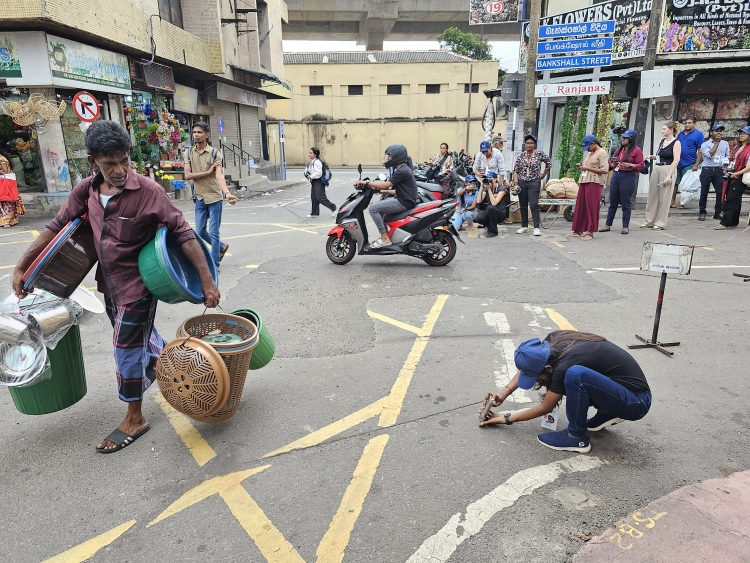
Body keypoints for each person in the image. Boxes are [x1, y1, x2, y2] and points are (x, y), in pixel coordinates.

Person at [12, 120, 220, 453]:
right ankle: (176, 369)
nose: (121, 169)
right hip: (107, 286)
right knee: (141, 342)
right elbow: (57, 226)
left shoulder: (149, 192)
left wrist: (207, 281)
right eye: (111, 164)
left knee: (125, 349)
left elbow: (182, 232)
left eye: (125, 160)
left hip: (139, 287)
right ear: (93, 162)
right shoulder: (87, 191)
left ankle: (135, 417)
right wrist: (24, 265)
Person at [479, 331, 651, 453]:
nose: (537, 382)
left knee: (575, 376)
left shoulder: (565, 364)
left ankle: (576, 437)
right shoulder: (551, 343)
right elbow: (528, 368)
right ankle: (608, 412)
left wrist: (506, 418)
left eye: (537, 378)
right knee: (573, 378)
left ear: (547, 367)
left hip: (636, 402)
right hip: (621, 391)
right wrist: (503, 394)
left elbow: (545, 408)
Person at [184, 122, 237, 272]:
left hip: (214, 197)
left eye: (199, 132)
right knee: (200, 231)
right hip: (199, 197)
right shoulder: (188, 153)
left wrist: (227, 193)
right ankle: (221, 246)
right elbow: (188, 175)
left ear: (206, 134)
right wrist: (207, 173)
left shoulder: (215, 153)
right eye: (194, 132)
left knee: (214, 232)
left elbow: (219, 175)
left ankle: (214, 265)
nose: (196, 135)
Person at [356, 144, 418, 248]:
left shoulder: (402, 171)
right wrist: (384, 191)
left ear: (397, 156)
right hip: (405, 199)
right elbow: (398, 191)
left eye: (390, 156)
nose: (388, 158)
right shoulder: (403, 169)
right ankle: (387, 236)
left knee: (373, 209)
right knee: (381, 211)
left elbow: (386, 184)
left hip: (404, 202)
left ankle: (384, 238)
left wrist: (367, 183)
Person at [600, 129, 644, 234]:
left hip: (628, 176)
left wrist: (630, 165)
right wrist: (612, 165)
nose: (623, 139)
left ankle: (625, 226)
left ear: (631, 139)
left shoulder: (637, 150)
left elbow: (641, 165)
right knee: (613, 202)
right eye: (623, 137)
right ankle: (607, 224)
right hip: (616, 175)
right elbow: (610, 163)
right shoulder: (618, 149)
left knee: (626, 203)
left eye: (625, 138)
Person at [567, 135, 608, 240]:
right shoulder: (591, 153)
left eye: (588, 147)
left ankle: (590, 232)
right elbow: (589, 166)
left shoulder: (602, 152)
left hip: (594, 182)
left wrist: (587, 168)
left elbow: (604, 170)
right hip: (585, 180)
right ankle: (578, 229)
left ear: (593, 144)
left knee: (591, 206)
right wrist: (582, 166)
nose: (587, 149)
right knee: (581, 205)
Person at [643, 122, 682, 231]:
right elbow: (660, 156)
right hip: (657, 168)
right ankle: (649, 221)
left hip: (667, 168)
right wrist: (651, 157)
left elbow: (676, 159)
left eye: (664, 129)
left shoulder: (676, 142)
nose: (662, 131)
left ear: (671, 130)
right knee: (653, 194)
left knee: (664, 197)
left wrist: (669, 175)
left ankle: (660, 223)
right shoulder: (662, 141)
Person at [512, 135, 552, 236]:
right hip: (522, 182)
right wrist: (516, 184)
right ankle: (524, 226)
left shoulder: (539, 154)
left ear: (534, 144)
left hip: (534, 182)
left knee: (534, 205)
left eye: (531, 143)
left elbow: (548, 163)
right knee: (523, 205)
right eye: (527, 143)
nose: (528, 145)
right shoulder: (521, 156)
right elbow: (516, 170)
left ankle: (536, 227)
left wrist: (543, 174)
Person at [716, 126, 750, 230]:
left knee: (731, 198)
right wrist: (728, 169)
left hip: (741, 175)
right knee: (735, 198)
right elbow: (732, 161)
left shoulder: (749, 149)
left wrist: (737, 173)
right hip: (732, 173)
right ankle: (733, 221)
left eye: (744, 133)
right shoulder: (736, 147)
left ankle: (725, 222)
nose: (741, 135)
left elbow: (749, 166)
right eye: (740, 133)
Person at [697, 124, 730, 221]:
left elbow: (727, 156)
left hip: (719, 170)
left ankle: (718, 212)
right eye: (716, 131)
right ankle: (702, 212)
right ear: (711, 132)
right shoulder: (705, 144)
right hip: (707, 170)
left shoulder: (725, 143)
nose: (719, 133)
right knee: (704, 192)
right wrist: (717, 143)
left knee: (720, 192)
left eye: (720, 131)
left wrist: (726, 164)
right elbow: (710, 154)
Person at [671, 117, 705, 208]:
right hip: (678, 162)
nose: (687, 125)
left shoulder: (699, 134)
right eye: (686, 123)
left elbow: (700, 150)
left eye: (689, 123)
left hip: (689, 163)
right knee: (675, 183)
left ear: (694, 124)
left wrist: (696, 164)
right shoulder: (681, 134)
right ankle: (672, 201)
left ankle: (681, 203)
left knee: (686, 184)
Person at [305, 147, 337, 218]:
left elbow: (319, 173)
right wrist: (308, 174)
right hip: (315, 181)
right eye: (309, 153)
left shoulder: (317, 162)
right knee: (314, 197)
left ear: (315, 154)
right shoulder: (313, 161)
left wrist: (311, 176)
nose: (309, 154)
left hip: (319, 181)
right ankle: (315, 213)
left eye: (311, 153)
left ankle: (333, 207)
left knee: (320, 197)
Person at [475, 171, 509, 238]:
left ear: (495, 179)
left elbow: (494, 203)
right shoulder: (487, 187)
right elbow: (479, 201)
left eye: (490, 178)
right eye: (487, 178)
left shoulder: (502, 188)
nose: (489, 180)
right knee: (478, 218)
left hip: (500, 213)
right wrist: (481, 187)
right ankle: (490, 226)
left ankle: (493, 231)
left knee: (491, 208)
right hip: (490, 212)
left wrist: (489, 190)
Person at [0, 146, 25, 228]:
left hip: (5, 183)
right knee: (7, 202)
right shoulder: (3, 158)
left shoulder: (2, 159)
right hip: (7, 183)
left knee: (7, 202)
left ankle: (7, 221)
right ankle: (11, 220)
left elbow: (5, 172)